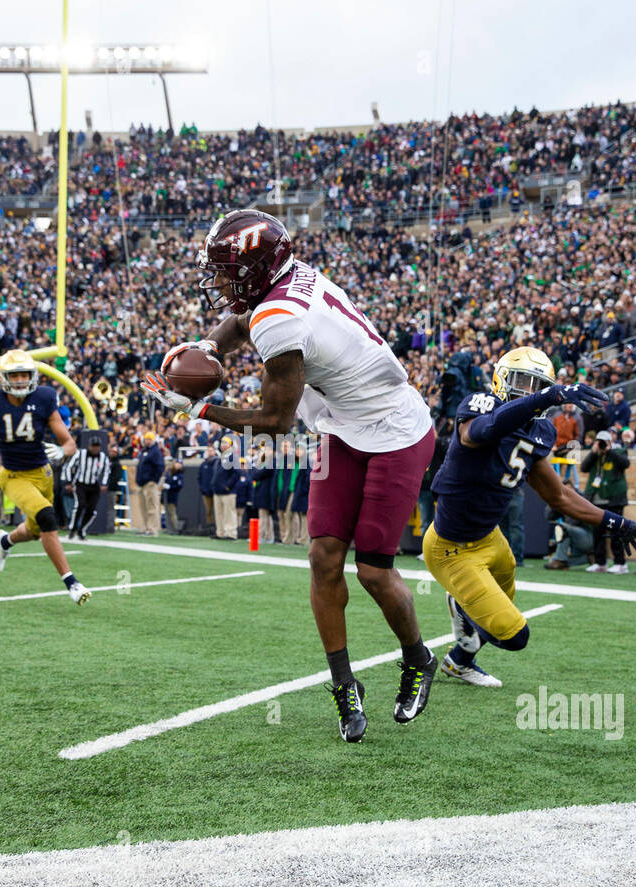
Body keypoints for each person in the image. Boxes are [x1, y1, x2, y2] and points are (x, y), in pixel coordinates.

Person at [142, 209, 436, 743]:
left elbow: (275, 422)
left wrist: (197, 411)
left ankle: (418, 658)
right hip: (339, 427)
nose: (221, 281)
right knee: (323, 557)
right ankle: (345, 685)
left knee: (372, 571)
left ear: (256, 269)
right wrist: (208, 347)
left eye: (228, 270)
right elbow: (241, 317)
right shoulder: (283, 278)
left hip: (394, 429)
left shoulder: (279, 318)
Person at [425, 349, 636, 688]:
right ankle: (463, 615)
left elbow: (559, 495)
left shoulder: (540, 431)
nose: (527, 391)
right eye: (521, 382)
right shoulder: (478, 406)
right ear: (501, 379)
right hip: (451, 547)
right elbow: (481, 432)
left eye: (537, 386)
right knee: (515, 636)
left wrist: (615, 523)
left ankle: (459, 662)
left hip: (491, 539)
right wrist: (546, 395)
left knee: (500, 606)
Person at [0, 349, 89, 606]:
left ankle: (4, 540)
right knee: (47, 517)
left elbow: (69, 443)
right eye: (15, 375)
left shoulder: (44, 398)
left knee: (36, 532)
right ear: (4, 378)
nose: (21, 380)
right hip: (13, 476)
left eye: (25, 374)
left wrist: (61, 451)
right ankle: (72, 583)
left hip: (43, 474)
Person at [580, 429, 630, 573]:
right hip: (596, 499)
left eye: (604, 442)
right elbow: (584, 468)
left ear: (610, 442)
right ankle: (600, 562)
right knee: (598, 533)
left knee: (616, 532)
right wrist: (594, 452)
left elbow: (625, 464)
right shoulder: (595, 455)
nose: (601, 445)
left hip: (614, 499)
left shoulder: (619, 451)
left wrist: (609, 451)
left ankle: (620, 563)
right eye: (599, 442)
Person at [63, 436, 111, 540]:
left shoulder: (103, 457)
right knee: (80, 505)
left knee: (92, 510)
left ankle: (81, 530)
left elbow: (107, 471)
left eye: (97, 446)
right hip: (81, 483)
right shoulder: (80, 454)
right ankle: (73, 529)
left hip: (94, 485)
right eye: (93, 446)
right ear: (89, 446)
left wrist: (103, 483)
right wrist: (68, 482)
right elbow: (68, 467)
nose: (95, 448)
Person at [135, 431, 165, 536]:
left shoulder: (155, 451)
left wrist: (154, 480)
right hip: (141, 483)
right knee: (143, 507)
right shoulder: (143, 451)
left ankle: (152, 529)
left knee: (152, 507)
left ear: (153, 440)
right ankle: (145, 528)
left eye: (149, 439)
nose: (147, 441)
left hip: (150, 483)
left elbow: (160, 466)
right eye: (146, 439)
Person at [164, 460, 185, 534]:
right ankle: (169, 528)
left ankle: (176, 529)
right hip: (167, 495)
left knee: (172, 512)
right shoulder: (171, 473)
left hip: (173, 496)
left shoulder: (180, 475)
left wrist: (170, 487)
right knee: (168, 512)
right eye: (177, 463)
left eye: (179, 464)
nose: (177, 465)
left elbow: (179, 485)